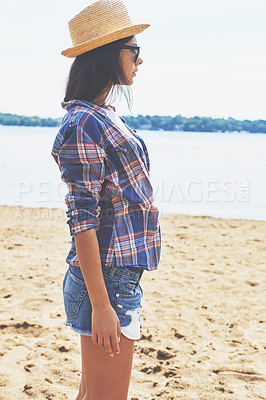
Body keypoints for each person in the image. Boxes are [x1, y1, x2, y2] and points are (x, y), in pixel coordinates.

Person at [52, 1, 161, 399]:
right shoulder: (84, 122)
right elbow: (82, 218)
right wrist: (101, 304)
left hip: (116, 275)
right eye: (134, 50)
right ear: (110, 52)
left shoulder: (101, 114)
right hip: (107, 280)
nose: (140, 60)